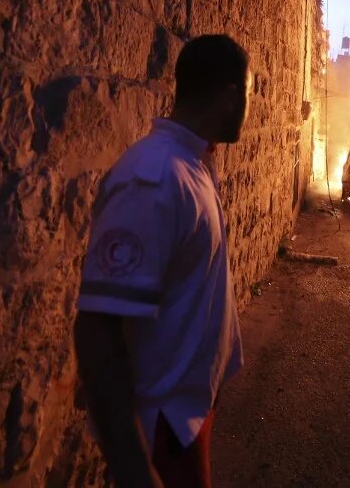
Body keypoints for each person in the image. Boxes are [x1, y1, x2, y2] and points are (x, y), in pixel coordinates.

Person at [74, 34, 251, 487]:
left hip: (186, 415)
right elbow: (98, 328)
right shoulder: (154, 179)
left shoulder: (193, 164)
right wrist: (135, 468)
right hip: (162, 427)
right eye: (248, 93)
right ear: (231, 95)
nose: (250, 106)